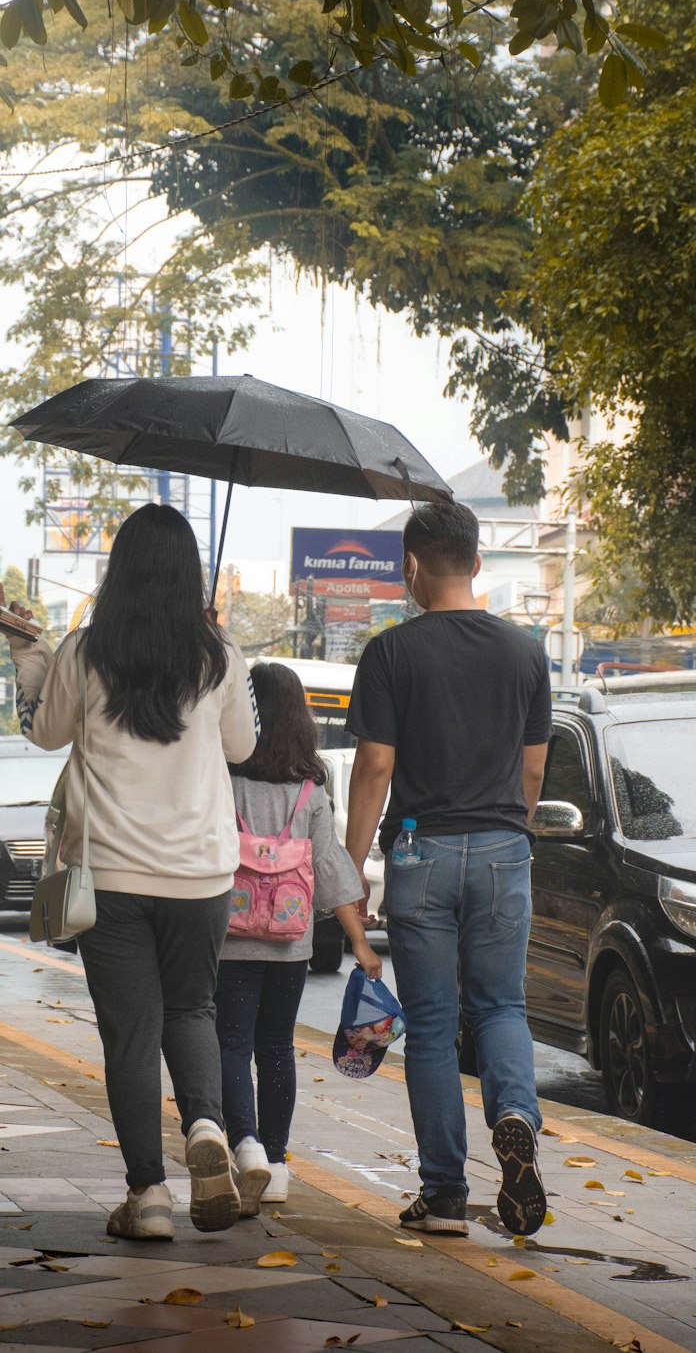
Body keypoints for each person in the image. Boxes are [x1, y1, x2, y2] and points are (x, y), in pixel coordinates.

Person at [0, 504, 259, 1242]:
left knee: (131, 1037)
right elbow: (242, 749)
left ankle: (148, 1197)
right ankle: (205, 1123)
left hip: (108, 876)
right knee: (193, 1011)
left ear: (121, 569)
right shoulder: (217, 656)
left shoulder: (85, 650)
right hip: (201, 876)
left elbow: (45, 733)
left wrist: (29, 654)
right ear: (188, 574)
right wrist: (221, 648)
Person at [344, 501, 551, 1239]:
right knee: (501, 1008)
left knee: (431, 1026)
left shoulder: (392, 653)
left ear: (410, 566)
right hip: (502, 848)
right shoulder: (527, 652)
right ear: (477, 561)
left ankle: (443, 1196)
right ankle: (518, 1117)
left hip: (419, 849)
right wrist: (508, 834)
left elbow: (374, 765)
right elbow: (533, 769)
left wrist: (351, 863)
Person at [216, 662, 382, 1216]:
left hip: (229, 939)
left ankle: (247, 1148)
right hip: (291, 942)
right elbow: (331, 868)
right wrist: (359, 941)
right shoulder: (312, 788)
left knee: (231, 1043)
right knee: (277, 1047)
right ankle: (280, 1164)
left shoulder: (223, 776)